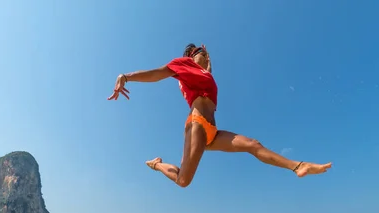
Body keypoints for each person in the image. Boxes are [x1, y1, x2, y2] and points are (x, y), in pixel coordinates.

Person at [107, 43, 332, 188]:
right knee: (183, 181)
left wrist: (207, 59)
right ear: (192, 56)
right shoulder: (183, 65)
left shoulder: (206, 75)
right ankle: (156, 164)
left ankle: (298, 166)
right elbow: (158, 73)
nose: (204, 55)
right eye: (200, 53)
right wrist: (125, 77)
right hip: (196, 125)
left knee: (253, 144)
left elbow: (207, 70)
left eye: (205, 54)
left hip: (212, 133)